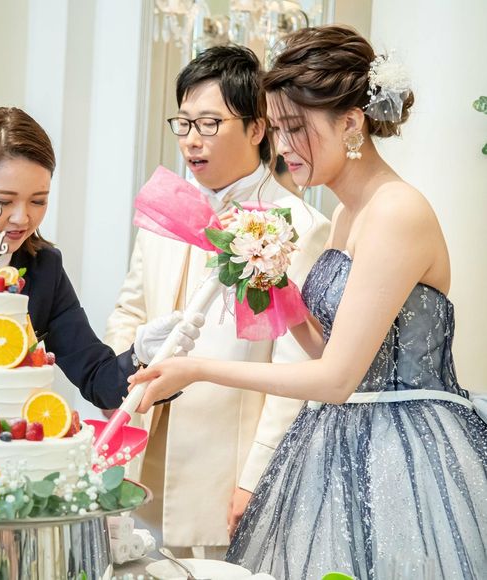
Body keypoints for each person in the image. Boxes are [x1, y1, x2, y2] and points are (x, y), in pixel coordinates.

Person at [128, 26, 487, 579]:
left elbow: (336, 378)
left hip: (402, 447)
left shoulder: (396, 212)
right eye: (277, 129)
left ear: (351, 122)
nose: (283, 146)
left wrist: (197, 369)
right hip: (341, 433)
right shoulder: (347, 213)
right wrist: (273, 282)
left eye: (297, 128)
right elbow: (327, 347)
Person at [104, 45, 329, 557]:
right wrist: (120, 384)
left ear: (256, 129)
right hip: (138, 449)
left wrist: (257, 477)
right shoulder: (166, 208)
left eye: (209, 124)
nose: (191, 140)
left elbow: (294, 370)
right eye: (183, 124)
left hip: (221, 472)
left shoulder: (297, 226)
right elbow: (129, 311)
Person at [0, 107, 202, 410]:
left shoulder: (44, 269)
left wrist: (144, 355)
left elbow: (98, 378)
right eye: (3, 201)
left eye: (38, 201)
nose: (22, 218)